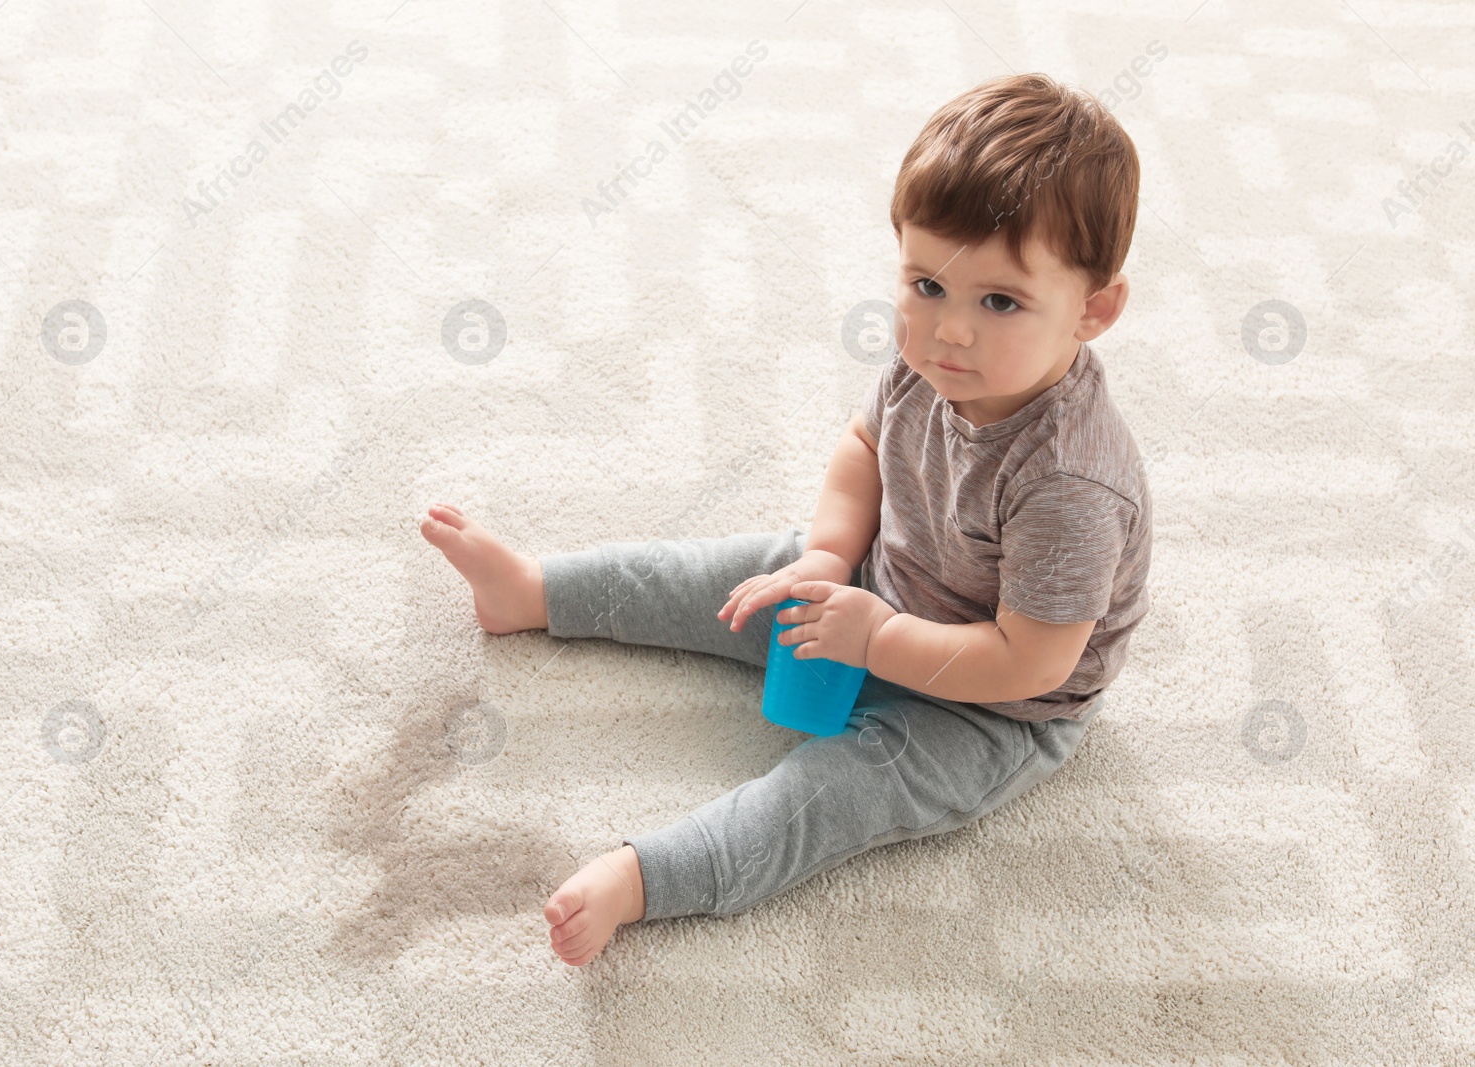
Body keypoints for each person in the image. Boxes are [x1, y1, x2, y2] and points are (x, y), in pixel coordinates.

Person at [420, 71, 1153, 967]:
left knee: (835, 792)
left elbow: (1033, 657)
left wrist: (878, 641)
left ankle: (643, 876)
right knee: (724, 577)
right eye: (926, 283)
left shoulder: (1071, 481)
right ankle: (534, 590)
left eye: (999, 301)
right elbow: (862, 448)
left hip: (998, 705)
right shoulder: (933, 358)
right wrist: (828, 557)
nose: (949, 330)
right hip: (881, 581)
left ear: (1095, 309)